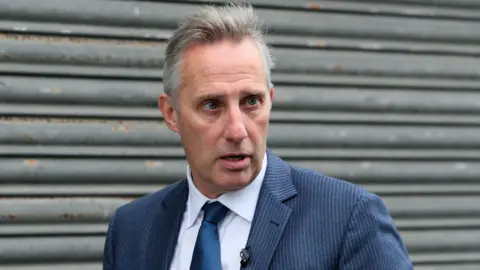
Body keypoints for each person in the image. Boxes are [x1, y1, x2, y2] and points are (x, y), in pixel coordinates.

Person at [103, 3, 413, 270]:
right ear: (171, 113)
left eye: (251, 102)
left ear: (270, 99)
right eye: (211, 105)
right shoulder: (131, 229)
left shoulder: (349, 218)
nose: (237, 130)